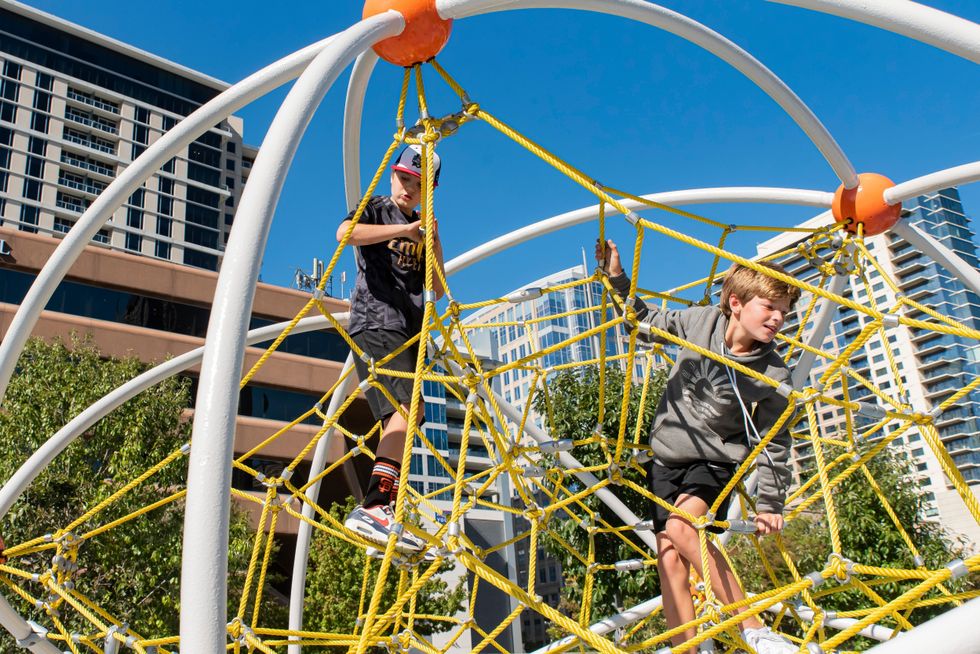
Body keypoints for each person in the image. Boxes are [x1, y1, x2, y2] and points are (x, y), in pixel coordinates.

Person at [596, 239, 801, 654]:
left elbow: (775, 439)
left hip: (715, 461)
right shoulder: (701, 323)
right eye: (769, 307)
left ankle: (754, 628)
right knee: (669, 558)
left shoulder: (773, 373)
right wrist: (616, 278)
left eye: (784, 311)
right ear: (736, 303)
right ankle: (685, 649)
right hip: (667, 457)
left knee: (682, 527)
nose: (778, 318)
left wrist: (769, 504)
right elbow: (645, 321)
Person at [338, 144, 445, 554]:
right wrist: (402, 231)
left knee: (404, 418)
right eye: (404, 179)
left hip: (405, 332)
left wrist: (432, 241)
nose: (408, 189)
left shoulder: (422, 226)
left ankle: (381, 521)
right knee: (404, 412)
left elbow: (437, 287)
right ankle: (376, 506)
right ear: (392, 176)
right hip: (377, 321)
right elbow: (344, 233)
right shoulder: (379, 208)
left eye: (418, 185)